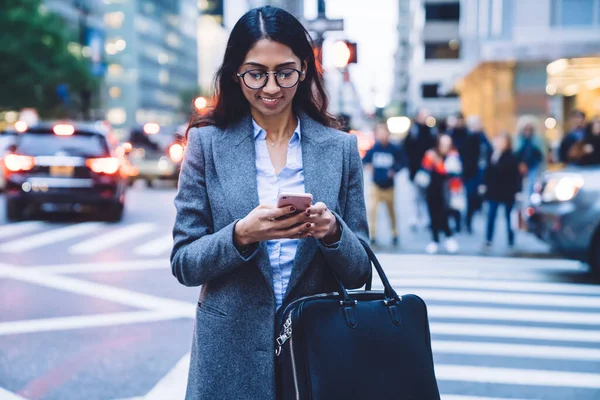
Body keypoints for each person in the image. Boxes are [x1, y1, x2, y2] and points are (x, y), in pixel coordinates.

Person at [170, 7, 371, 399]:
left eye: (285, 72)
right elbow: (184, 262)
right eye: (256, 73)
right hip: (229, 355)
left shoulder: (341, 148)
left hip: (318, 352)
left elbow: (359, 271)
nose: (272, 87)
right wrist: (242, 235)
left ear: (304, 70)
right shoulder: (206, 144)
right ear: (235, 73)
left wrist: (332, 233)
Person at [418, 134, 461, 254]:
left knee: (444, 215)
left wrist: (438, 163)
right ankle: (435, 240)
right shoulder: (430, 154)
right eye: (442, 144)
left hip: (446, 192)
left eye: (447, 144)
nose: (444, 147)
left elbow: (453, 174)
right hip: (432, 190)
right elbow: (423, 172)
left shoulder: (453, 156)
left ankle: (448, 237)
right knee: (433, 215)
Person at [363, 121, 404, 247]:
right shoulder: (374, 148)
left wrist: (394, 171)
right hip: (376, 185)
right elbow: (365, 160)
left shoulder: (394, 148)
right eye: (379, 132)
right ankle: (373, 235)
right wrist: (369, 166)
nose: (381, 135)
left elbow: (402, 162)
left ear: (388, 133)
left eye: (383, 132)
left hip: (389, 186)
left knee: (391, 211)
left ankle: (394, 233)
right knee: (372, 210)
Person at [482, 133, 522, 253]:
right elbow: (488, 172)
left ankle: (511, 240)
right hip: (494, 191)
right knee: (491, 216)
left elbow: (516, 176)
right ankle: (488, 240)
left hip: (507, 191)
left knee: (509, 217)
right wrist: (484, 185)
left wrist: (518, 191)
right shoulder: (492, 155)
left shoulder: (512, 157)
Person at [404, 108, 437, 231]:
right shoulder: (413, 131)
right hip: (415, 169)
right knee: (415, 196)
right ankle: (415, 218)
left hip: (428, 169)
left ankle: (427, 218)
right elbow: (407, 149)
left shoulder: (432, 131)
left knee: (427, 195)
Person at [462, 115, 492, 234]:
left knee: (479, 196)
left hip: (482, 171)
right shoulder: (469, 137)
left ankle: (474, 214)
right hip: (471, 172)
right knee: (471, 197)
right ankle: (467, 221)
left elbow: (488, 150)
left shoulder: (483, 137)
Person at [514, 116, 544, 203]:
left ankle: (530, 203)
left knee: (532, 185)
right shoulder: (518, 140)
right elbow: (516, 154)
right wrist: (521, 164)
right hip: (520, 167)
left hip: (533, 166)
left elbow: (540, 155)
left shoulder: (536, 140)